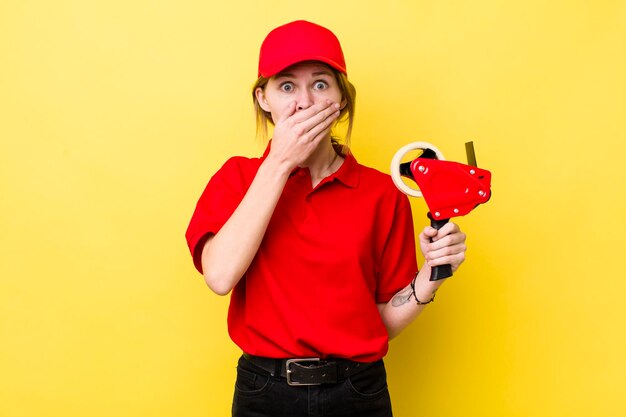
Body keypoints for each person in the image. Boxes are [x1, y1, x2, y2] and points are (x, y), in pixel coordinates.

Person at [185, 20, 467, 417]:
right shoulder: (236, 179)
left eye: (320, 84)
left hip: (358, 392)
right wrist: (280, 162)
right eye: (286, 86)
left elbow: (380, 323)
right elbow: (219, 276)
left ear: (341, 100)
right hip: (264, 393)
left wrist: (431, 275)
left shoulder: (382, 194)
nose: (305, 102)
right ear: (263, 98)